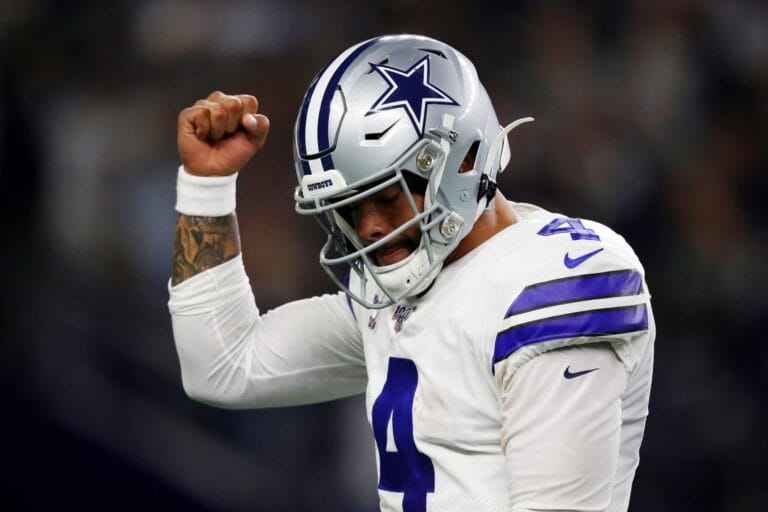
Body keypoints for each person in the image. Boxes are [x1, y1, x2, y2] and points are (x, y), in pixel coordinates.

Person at [168, 34, 655, 512]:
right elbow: (225, 367)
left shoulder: (555, 281)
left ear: (464, 158)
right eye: (349, 209)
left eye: (386, 196)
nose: (371, 227)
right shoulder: (394, 288)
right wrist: (205, 188)